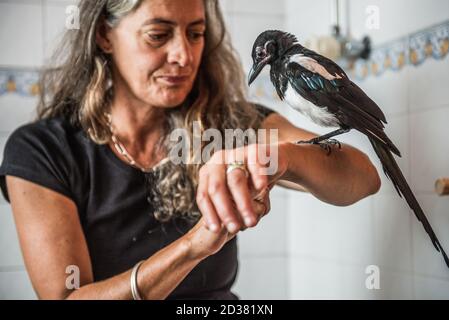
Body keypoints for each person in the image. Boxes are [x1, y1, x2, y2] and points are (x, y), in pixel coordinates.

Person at [0, 0, 381, 300]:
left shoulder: (229, 123)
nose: (184, 55)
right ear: (104, 35)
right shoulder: (42, 151)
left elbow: (363, 178)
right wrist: (194, 246)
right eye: (158, 34)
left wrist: (278, 156)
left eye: (196, 33)